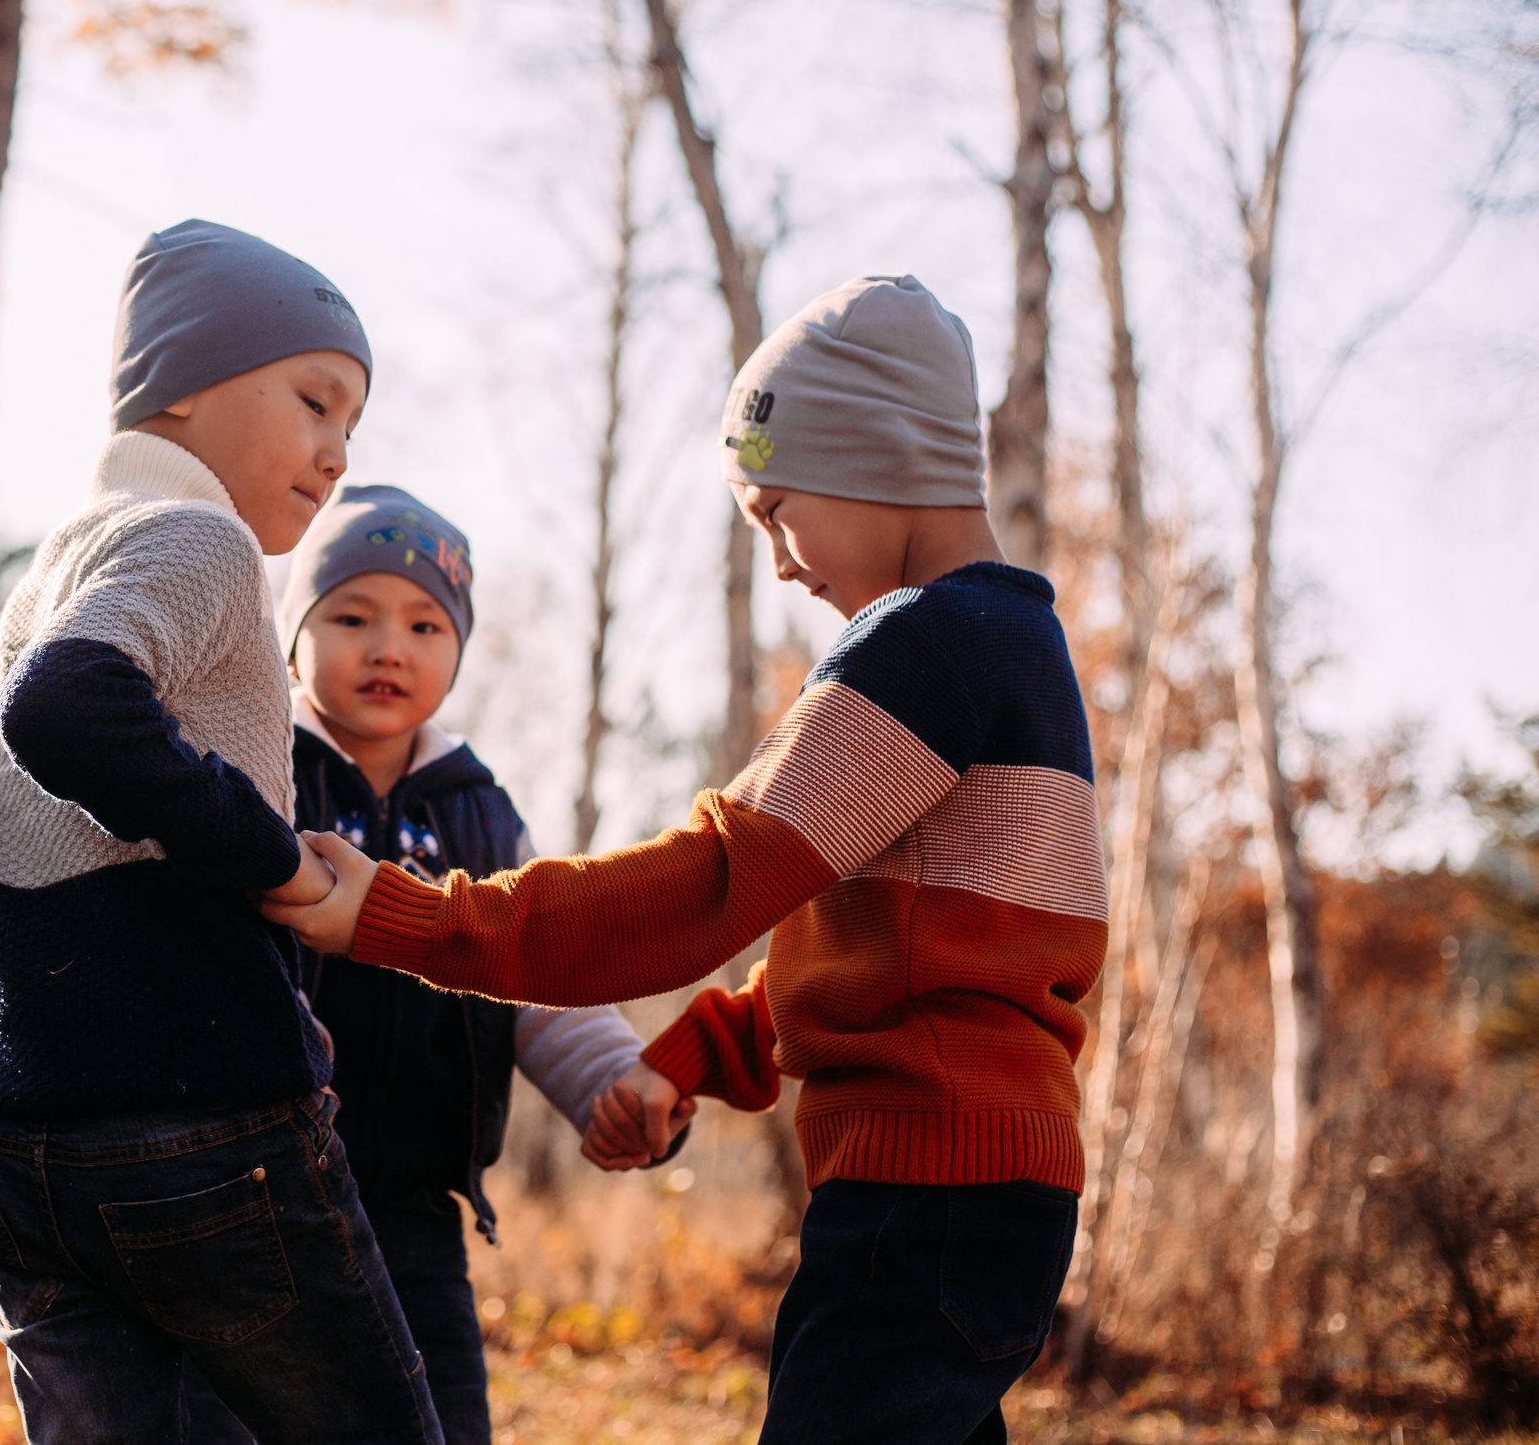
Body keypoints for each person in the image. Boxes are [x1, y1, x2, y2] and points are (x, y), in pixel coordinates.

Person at [266, 275, 1107, 1445]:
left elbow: (711, 885)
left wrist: (403, 920)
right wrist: (694, 1057)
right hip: (980, 1178)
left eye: (776, 511)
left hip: (926, 1189)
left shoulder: (926, 648)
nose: (777, 561)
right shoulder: (1011, 650)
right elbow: (893, 954)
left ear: (872, 459)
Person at [0, 219, 441, 1445]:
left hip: (23, 1145)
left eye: (351, 428)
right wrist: (269, 856)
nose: (334, 455)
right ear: (179, 390)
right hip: (197, 1126)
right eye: (316, 402)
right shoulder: (198, 539)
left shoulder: (52, 569)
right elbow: (65, 707)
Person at [181, 487, 658, 1445]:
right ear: (294, 635)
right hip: (260, 1197)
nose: (387, 647)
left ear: (457, 648)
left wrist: (613, 1074)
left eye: (425, 623)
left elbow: (533, 972)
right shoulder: (258, 772)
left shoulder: (479, 813)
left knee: (443, 1421)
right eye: (350, 616)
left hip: (415, 1209)